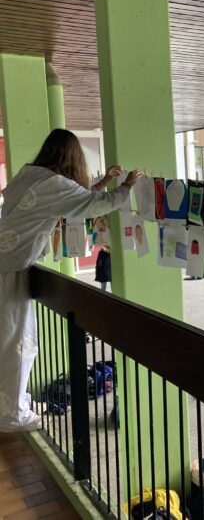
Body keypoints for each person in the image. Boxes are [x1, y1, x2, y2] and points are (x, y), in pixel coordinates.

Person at [0, 128, 143, 432]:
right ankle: (11, 414)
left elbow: (77, 199)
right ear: (72, 156)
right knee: (15, 344)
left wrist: (103, 181)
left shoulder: (30, 175)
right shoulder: (53, 185)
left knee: (12, 342)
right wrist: (126, 186)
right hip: (8, 271)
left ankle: (15, 404)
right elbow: (93, 205)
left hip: (6, 265)